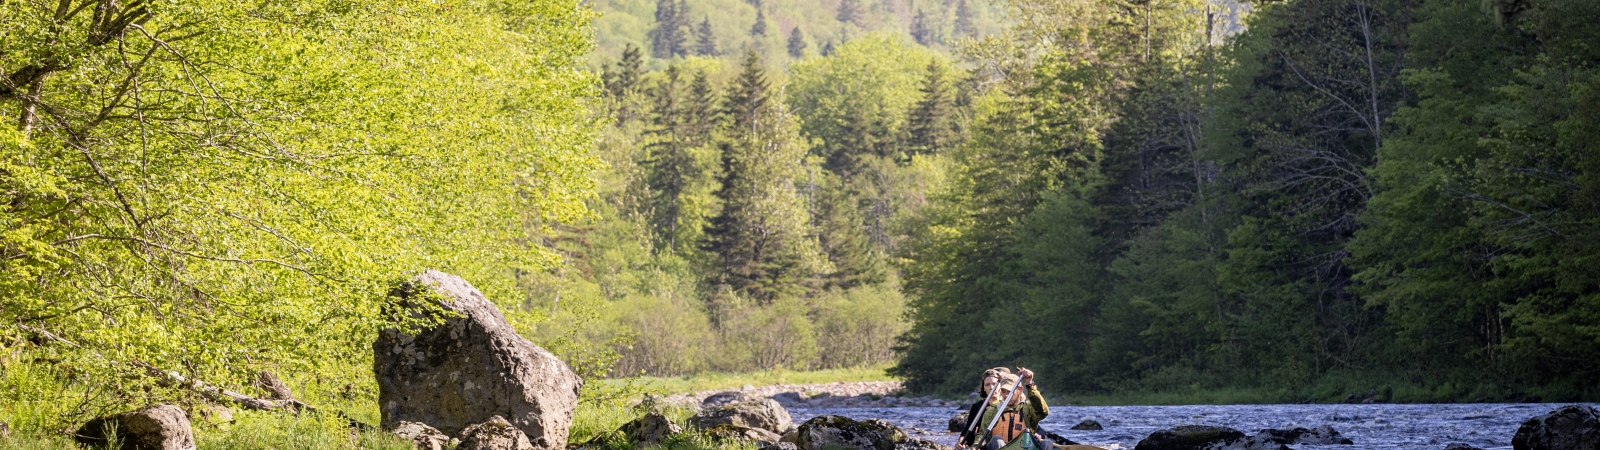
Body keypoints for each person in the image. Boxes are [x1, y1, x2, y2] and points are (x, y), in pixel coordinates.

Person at [960, 367, 1049, 450]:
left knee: (1047, 443)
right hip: (999, 447)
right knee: (997, 440)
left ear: (1020, 390)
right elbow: (983, 435)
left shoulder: (1028, 408)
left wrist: (1030, 385)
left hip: (1022, 447)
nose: (1006, 395)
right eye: (1003, 391)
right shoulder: (993, 411)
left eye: (1010, 391)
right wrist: (976, 446)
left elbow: (1042, 412)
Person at [957, 367, 1011, 448]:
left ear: (1001, 386)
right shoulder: (978, 407)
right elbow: (965, 433)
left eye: (994, 384)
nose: (991, 387)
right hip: (984, 445)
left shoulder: (1009, 404)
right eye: (987, 385)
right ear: (984, 388)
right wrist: (960, 443)